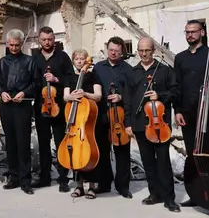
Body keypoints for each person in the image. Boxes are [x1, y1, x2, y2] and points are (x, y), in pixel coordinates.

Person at [174, 20, 209, 207]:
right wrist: (177, 111)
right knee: (193, 154)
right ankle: (198, 194)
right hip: (188, 114)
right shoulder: (180, 58)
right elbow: (177, 88)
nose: (190, 35)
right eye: (187, 32)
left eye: (193, 32)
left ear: (203, 33)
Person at [124, 37, 181, 213]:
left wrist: (160, 95)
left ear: (153, 51)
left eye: (147, 50)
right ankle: (154, 194)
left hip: (160, 125)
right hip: (140, 124)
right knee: (148, 162)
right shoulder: (133, 72)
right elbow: (127, 100)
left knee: (163, 162)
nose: (143, 54)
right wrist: (128, 123)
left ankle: (169, 199)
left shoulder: (164, 70)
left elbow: (176, 92)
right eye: (140, 50)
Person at [0, 29, 39, 195]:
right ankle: (13, 178)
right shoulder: (2, 62)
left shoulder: (29, 61)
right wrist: (2, 92)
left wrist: (24, 93)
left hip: (23, 105)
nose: (13, 48)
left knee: (23, 143)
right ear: (7, 44)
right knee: (11, 144)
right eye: (11, 45)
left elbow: (36, 83)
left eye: (16, 45)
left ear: (22, 44)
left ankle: (25, 181)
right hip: (7, 106)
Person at [32, 26, 74, 193]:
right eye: (44, 40)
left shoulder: (62, 57)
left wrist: (57, 79)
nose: (47, 42)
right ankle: (45, 177)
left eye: (50, 39)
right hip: (41, 107)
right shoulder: (34, 58)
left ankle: (63, 178)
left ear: (54, 39)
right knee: (43, 143)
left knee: (60, 143)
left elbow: (71, 78)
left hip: (58, 107)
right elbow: (32, 80)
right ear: (39, 40)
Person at [91, 36, 133, 198]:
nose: (113, 53)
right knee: (102, 150)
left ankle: (123, 187)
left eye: (117, 50)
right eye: (110, 50)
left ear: (122, 52)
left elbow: (133, 93)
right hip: (102, 114)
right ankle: (104, 183)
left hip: (120, 116)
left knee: (122, 151)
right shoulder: (98, 68)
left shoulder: (129, 70)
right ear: (106, 49)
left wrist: (120, 97)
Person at [64, 49, 103, 200]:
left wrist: (85, 94)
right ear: (73, 61)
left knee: (92, 151)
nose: (80, 61)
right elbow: (66, 96)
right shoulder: (69, 77)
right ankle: (79, 186)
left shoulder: (92, 76)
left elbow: (98, 96)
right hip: (75, 122)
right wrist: (72, 96)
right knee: (76, 152)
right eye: (77, 59)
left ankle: (92, 186)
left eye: (82, 59)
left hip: (90, 120)